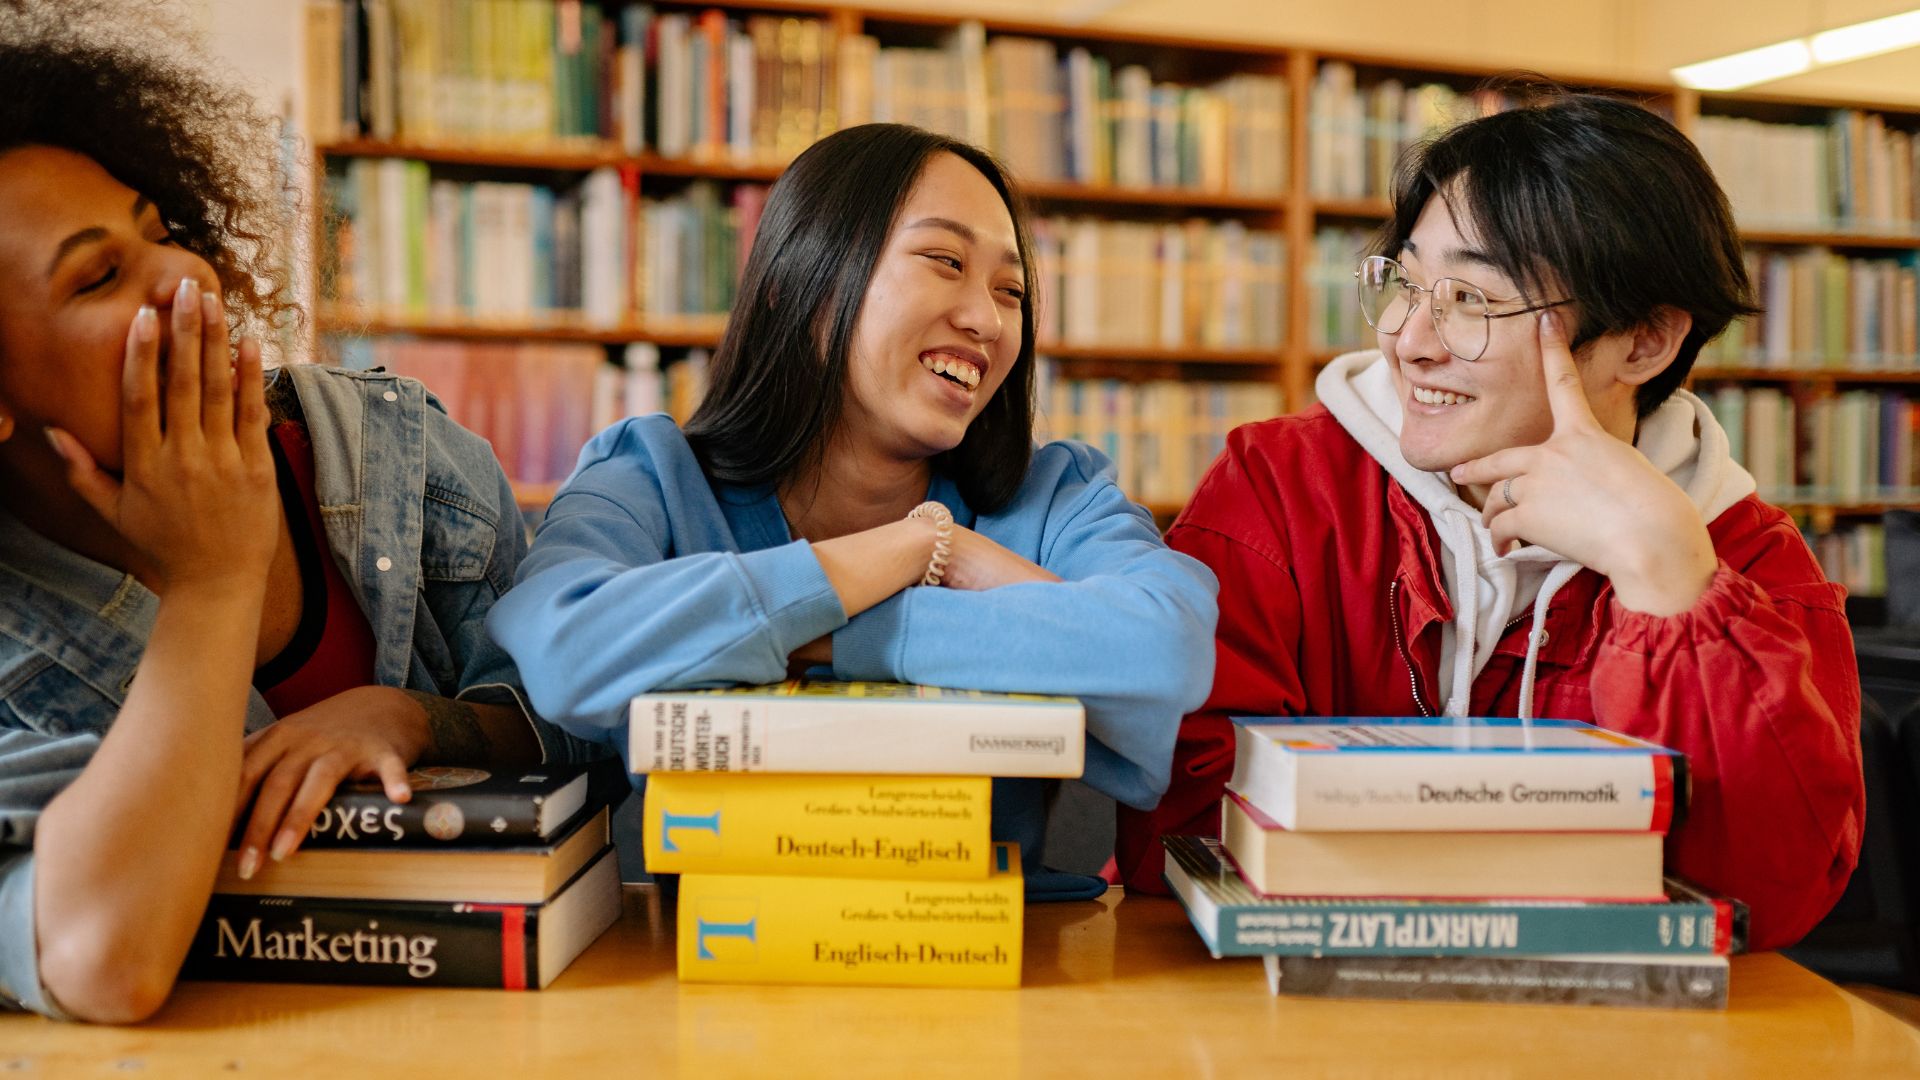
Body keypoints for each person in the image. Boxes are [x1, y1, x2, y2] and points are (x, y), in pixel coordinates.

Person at [1113, 86, 1864, 952]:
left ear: (1644, 342)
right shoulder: (1283, 483)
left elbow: (1766, 896)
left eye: (1471, 298)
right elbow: (1178, 814)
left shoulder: (1748, 560)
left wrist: (1668, 582)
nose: (1409, 337)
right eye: (1408, 282)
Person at [0, 4, 592, 1022]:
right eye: (99, 275)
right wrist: (215, 580)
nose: (185, 274)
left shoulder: (414, 462)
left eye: (161, 231)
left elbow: (600, 732)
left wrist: (417, 716)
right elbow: (102, 959)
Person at [488, 123, 1219, 874]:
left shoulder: (1053, 494)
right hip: (695, 962)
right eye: (945, 261)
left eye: (1012, 291)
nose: (988, 320)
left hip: (983, 960)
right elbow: (566, 643)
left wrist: (841, 629)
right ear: (798, 283)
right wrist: (910, 550)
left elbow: (1164, 646)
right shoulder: (649, 474)